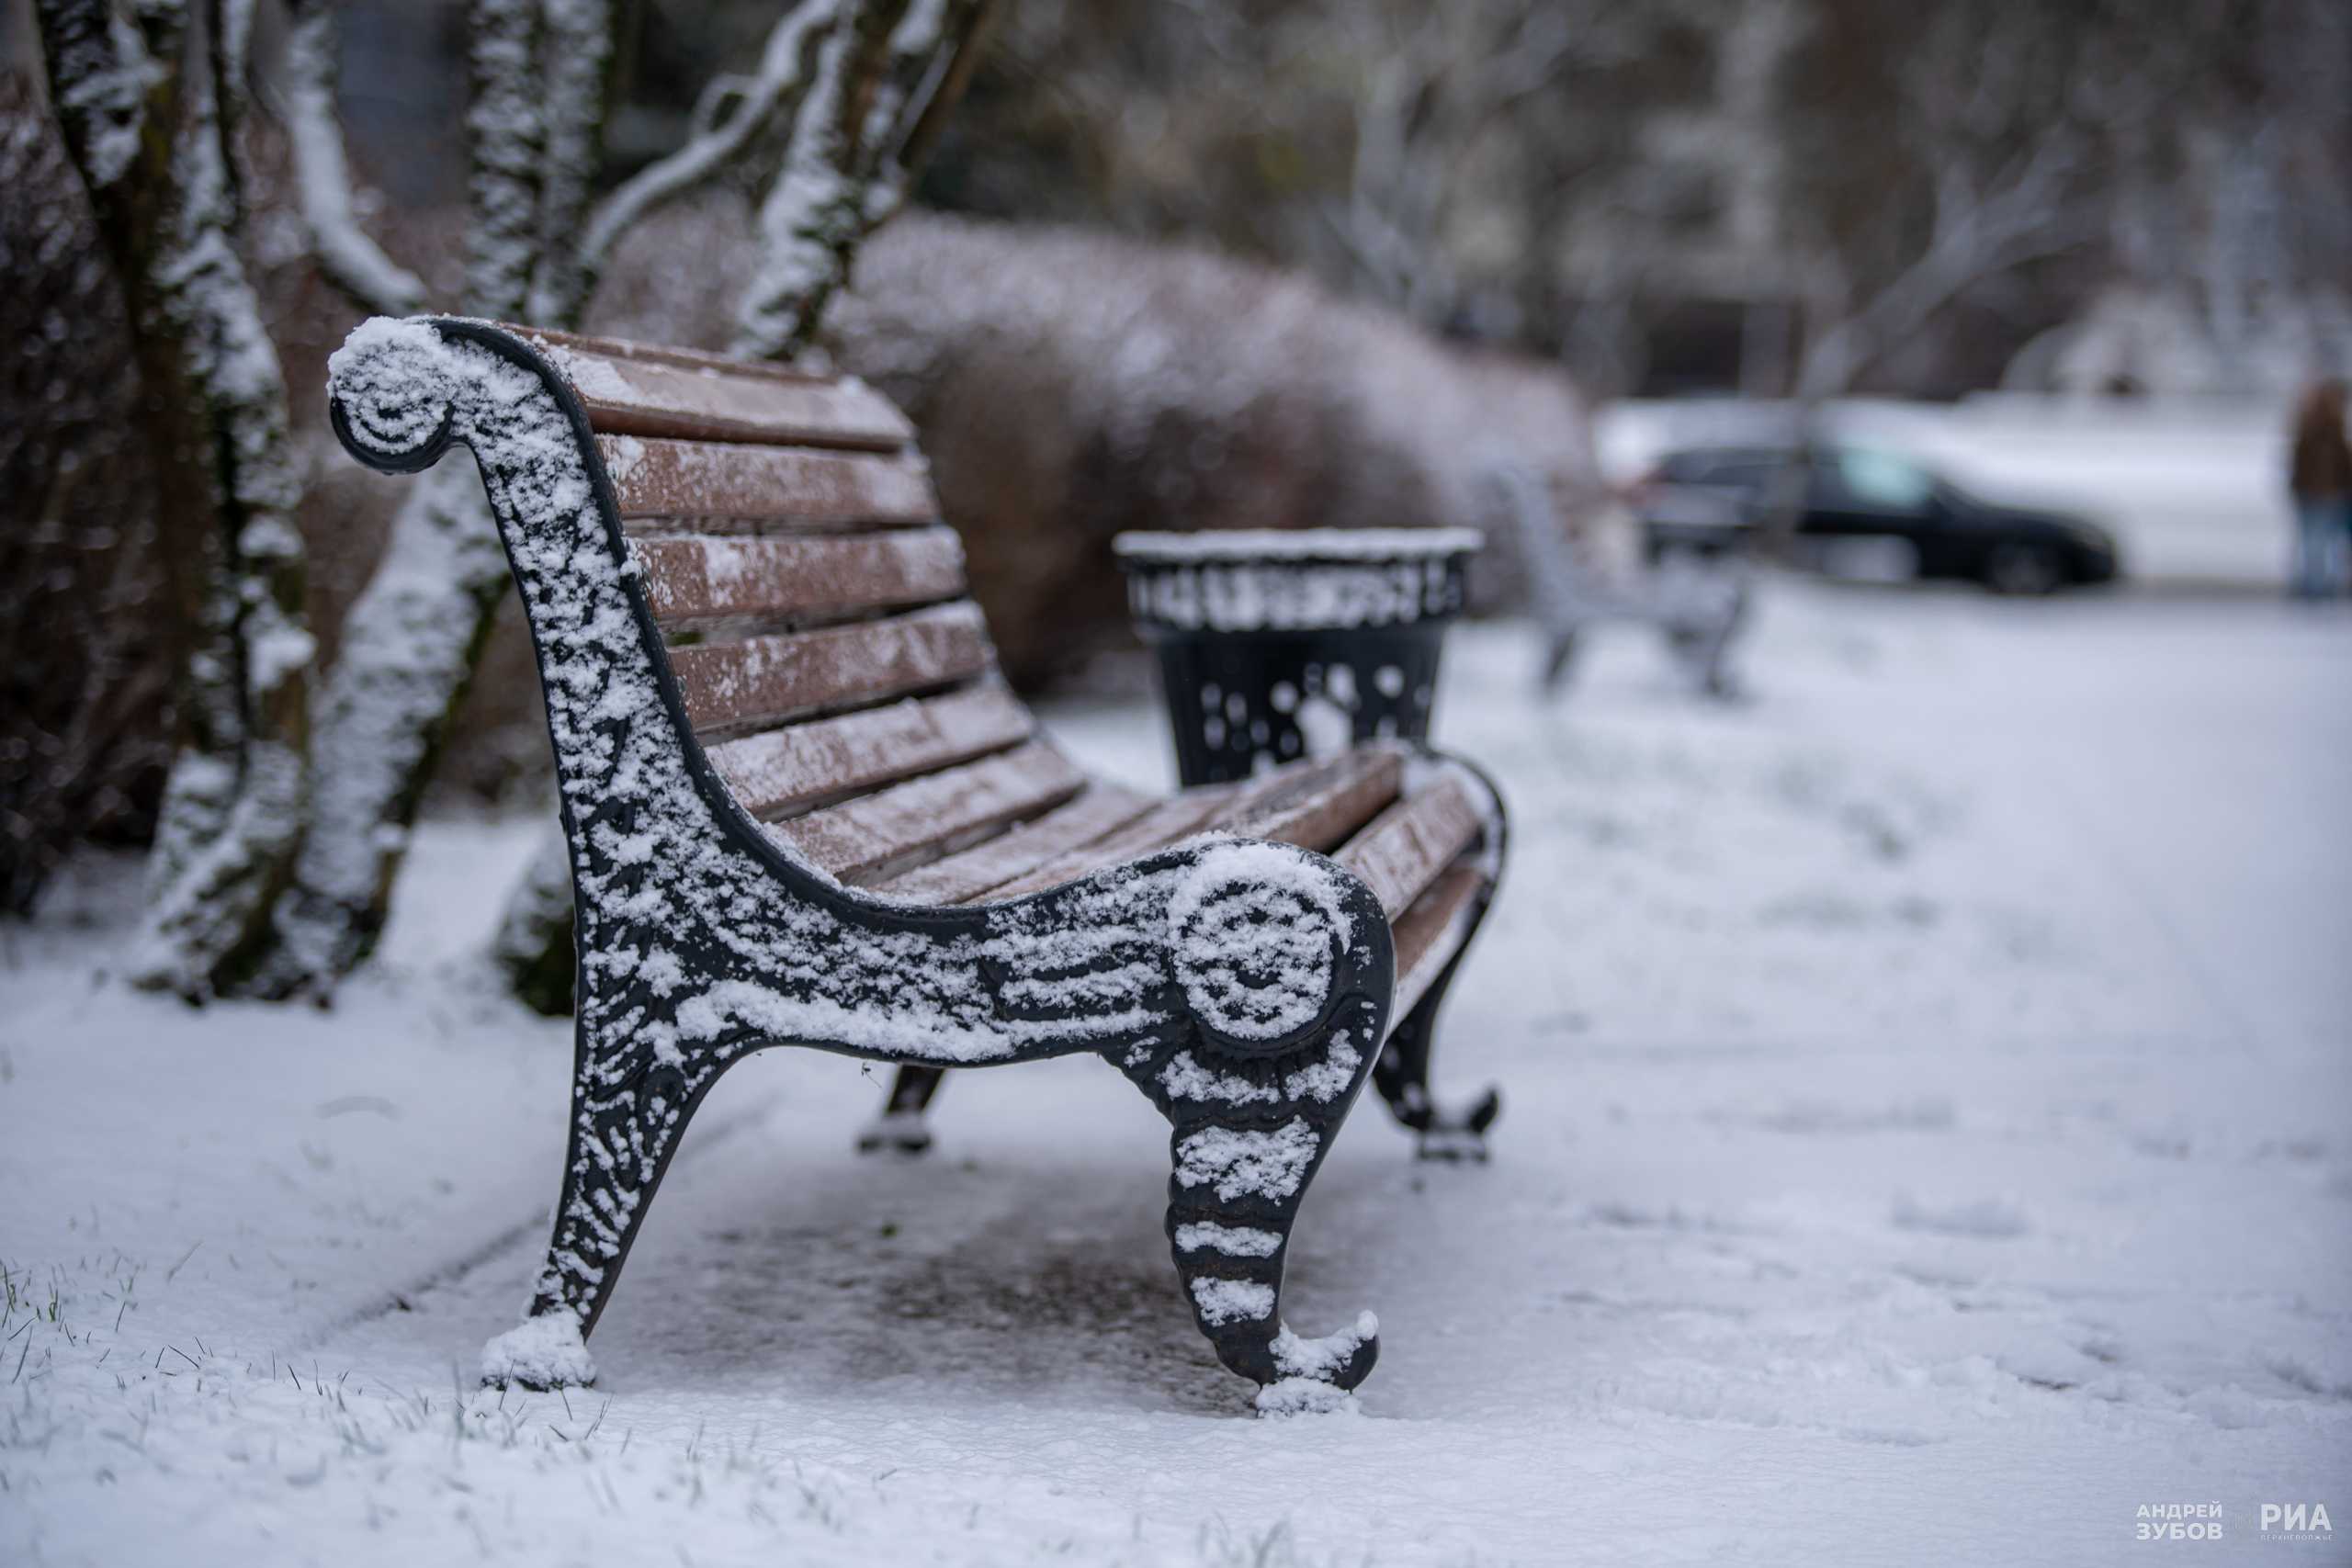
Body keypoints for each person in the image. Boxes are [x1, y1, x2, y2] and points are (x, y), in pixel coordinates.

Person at [2289, 378, 2352, 599]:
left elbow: (2343, 466)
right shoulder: (2309, 432)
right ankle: (2312, 588)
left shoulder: (2335, 432)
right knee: (2312, 544)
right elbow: (2298, 463)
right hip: (2313, 496)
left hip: (2332, 496)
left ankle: (2324, 587)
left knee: (2327, 544)